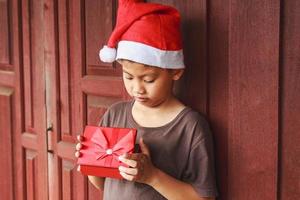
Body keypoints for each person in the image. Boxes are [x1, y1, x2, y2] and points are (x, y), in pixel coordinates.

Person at [75, 0, 218, 199]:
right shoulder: (115, 114)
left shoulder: (190, 127)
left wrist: (152, 176)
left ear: (175, 72)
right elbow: (102, 183)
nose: (137, 88)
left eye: (148, 79)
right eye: (128, 76)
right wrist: (89, 159)